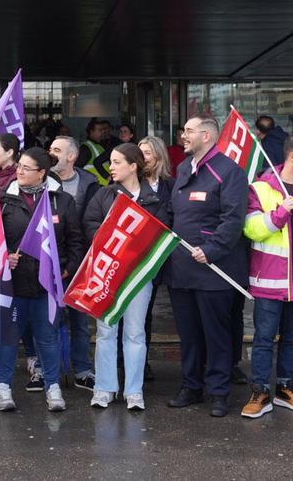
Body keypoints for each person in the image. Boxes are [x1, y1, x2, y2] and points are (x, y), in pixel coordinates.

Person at [240, 133, 293, 419]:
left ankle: (285, 388)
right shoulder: (263, 188)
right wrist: (279, 214)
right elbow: (251, 229)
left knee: (292, 338)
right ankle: (260, 391)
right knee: (264, 338)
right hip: (271, 280)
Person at [166, 116, 249, 419]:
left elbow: (233, 220)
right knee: (188, 334)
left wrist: (211, 250)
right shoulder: (183, 168)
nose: (183, 136)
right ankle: (190, 386)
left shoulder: (230, 171)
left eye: (188, 131)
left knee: (216, 335)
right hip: (182, 268)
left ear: (207, 135)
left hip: (215, 269)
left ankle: (219, 392)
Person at [0, 147, 81, 413]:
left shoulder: (61, 201)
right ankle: (3, 387)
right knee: (7, 339)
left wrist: (66, 269)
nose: (18, 171)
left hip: (47, 286)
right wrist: (4, 258)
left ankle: (52, 387)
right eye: (19, 166)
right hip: (13, 285)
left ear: (42, 173)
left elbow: (75, 240)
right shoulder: (4, 200)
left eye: (26, 168)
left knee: (47, 337)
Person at [84, 143, 163, 411]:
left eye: (117, 162)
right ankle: (104, 388)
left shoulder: (153, 198)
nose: (111, 167)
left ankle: (134, 391)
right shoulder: (104, 194)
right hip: (107, 273)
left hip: (139, 275)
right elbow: (90, 225)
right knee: (106, 330)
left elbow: (162, 232)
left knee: (135, 333)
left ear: (133, 166)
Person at [48, 135, 97, 388]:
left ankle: (82, 370)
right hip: (49, 262)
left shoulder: (90, 184)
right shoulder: (42, 182)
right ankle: (51, 372)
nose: (51, 153)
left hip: (80, 263)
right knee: (49, 321)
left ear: (72, 156)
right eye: (50, 149)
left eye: (57, 150)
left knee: (79, 321)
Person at [138, 135, 175, 381]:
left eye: (147, 154)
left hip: (161, 258)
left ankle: (143, 359)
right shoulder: (130, 182)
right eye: (139, 154)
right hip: (135, 258)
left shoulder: (171, 185)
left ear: (159, 156)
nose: (142, 159)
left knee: (147, 312)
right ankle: (128, 362)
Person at [78, 119, 111, 187]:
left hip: (103, 186)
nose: (102, 132)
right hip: (94, 187)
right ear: (91, 132)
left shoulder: (100, 146)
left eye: (103, 130)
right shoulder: (85, 148)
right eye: (99, 130)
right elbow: (78, 169)